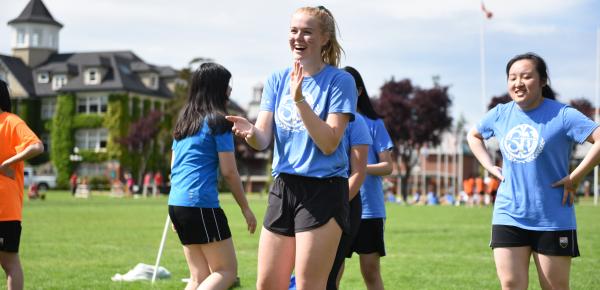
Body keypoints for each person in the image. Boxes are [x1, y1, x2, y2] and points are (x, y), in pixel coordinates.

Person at [226, 6, 357, 289]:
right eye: (294, 30)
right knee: (267, 284)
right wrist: (250, 133)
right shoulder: (276, 80)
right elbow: (262, 140)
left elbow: (329, 142)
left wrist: (300, 100)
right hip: (283, 186)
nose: (298, 37)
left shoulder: (340, 81)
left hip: (323, 190)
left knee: (309, 285)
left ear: (324, 39)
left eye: (307, 32)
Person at [467, 52, 600, 290]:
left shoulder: (563, 114)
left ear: (542, 81)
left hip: (552, 217)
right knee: (510, 285)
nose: (518, 83)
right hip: (509, 213)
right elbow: (474, 135)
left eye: (526, 76)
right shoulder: (500, 113)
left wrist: (576, 176)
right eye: (512, 77)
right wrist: (489, 166)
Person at [168, 63, 257, 290]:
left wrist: (177, 211)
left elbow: (174, 168)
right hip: (200, 204)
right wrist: (245, 208)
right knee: (226, 272)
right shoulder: (219, 122)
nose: (229, 91)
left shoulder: (184, 123)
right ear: (218, 89)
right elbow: (229, 171)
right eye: (227, 86)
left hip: (177, 204)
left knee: (199, 277)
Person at [341, 66, 394, 290]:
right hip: (338, 205)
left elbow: (387, 166)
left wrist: (359, 168)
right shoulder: (329, 123)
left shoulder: (374, 124)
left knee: (370, 272)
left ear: (359, 91)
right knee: (332, 271)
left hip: (369, 209)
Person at [326, 68, 372, 290]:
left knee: (328, 276)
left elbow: (358, 172)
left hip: (344, 202)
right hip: (312, 202)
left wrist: (337, 205)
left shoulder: (357, 123)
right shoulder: (319, 116)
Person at [0, 79, 44, 290]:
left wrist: (9, 162)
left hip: (4, 210)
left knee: (9, 263)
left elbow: (37, 146)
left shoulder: (10, 121)